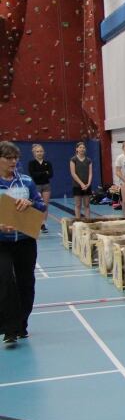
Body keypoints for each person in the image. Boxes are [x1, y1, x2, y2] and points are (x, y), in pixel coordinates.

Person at [0, 141, 46, 345]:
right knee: (5, 280)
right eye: (8, 158)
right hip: (2, 242)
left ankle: (21, 325)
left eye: (15, 158)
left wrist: (32, 203)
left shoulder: (26, 182)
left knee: (26, 283)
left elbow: (42, 204)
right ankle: (9, 328)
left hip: (26, 241)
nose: (13, 161)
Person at [28, 144, 52, 233]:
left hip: (46, 185)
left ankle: (43, 224)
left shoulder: (47, 163)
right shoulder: (32, 163)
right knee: (36, 205)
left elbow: (50, 174)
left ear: (44, 152)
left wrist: (40, 173)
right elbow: (33, 174)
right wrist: (44, 172)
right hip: (36, 186)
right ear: (34, 153)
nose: (39, 153)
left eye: (41, 151)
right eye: (37, 151)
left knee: (45, 205)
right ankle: (36, 223)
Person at [69, 142, 92, 219]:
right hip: (77, 186)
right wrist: (81, 184)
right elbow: (73, 173)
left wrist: (88, 183)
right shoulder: (73, 159)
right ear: (77, 149)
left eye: (83, 148)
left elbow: (90, 173)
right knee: (78, 205)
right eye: (80, 147)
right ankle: (78, 222)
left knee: (87, 205)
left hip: (87, 186)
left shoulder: (88, 160)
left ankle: (88, 222)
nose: (82, 149)